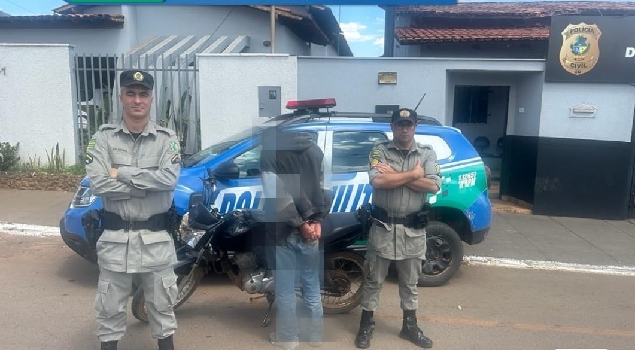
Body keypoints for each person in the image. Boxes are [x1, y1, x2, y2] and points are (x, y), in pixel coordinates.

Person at [84, 69, 181, 350]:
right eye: (131, 93)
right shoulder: (102, 138)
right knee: (109, 311)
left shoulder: (167, 139)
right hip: (115, 240)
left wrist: (121, 172)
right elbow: (99, 183)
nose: (137, 100)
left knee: (162, 310)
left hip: (156, 241)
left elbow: (169, 179)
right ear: (121, 97)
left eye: (143, 94)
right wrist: (145, 183)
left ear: (151, 98)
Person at [354, 108, 442, 349]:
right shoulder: (379, 150)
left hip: (413, 231)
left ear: (415, 127)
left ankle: (409, 327)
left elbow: (433, 186)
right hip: (382, 227)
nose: (405, 128)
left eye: (409, 124)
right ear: (392, 127)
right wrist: (414, 174)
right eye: (400, 124)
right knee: (373, 280)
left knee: (410, 284)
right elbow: (379, 180)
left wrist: (397, 174)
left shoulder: (426, 153)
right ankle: (366, 324)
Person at [259, 126, 333, 350]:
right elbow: (326, 189)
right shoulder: (315, 150)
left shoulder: (270, 153)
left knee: (286, 288)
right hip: (312, 229)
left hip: (283, 230)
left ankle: (289, 339)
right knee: (311, 284)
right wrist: (316, 220)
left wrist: (300, 224)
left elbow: (278, 194)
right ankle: (316, 337)